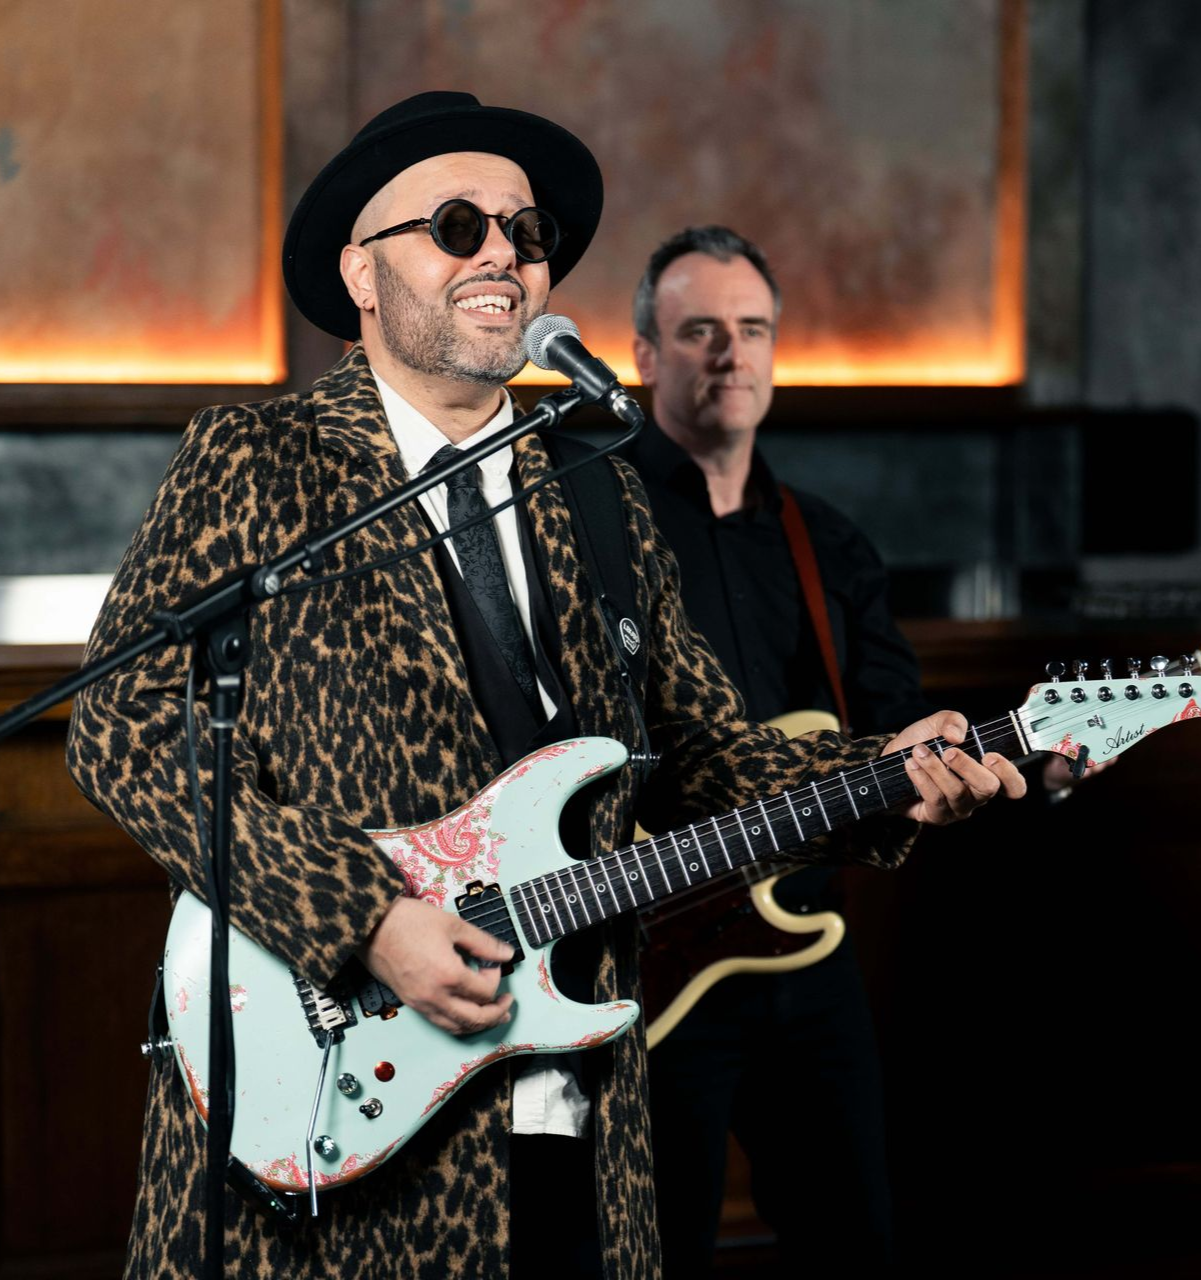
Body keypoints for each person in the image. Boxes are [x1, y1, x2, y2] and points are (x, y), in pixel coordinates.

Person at [66, 97, 1024, 1280]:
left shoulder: (597, 489)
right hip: (328, 1095)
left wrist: (882, 774)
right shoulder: (256, 458)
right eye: (458, 224)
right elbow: (122, 728)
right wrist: (364, 919)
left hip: (572, 1102)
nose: (503, 255)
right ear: (361, 273)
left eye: (524, 231)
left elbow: (702, 757)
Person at [624, 225, 934, 1276]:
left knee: (856, 1244)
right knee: (658, 1252)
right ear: (643, 355)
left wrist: (1029, 759)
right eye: (699, 329)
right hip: (651, 955)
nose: (729, 353)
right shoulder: (595, 524)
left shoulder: (827, 539)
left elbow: (898, 731)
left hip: (805, 945)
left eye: (751, 328)